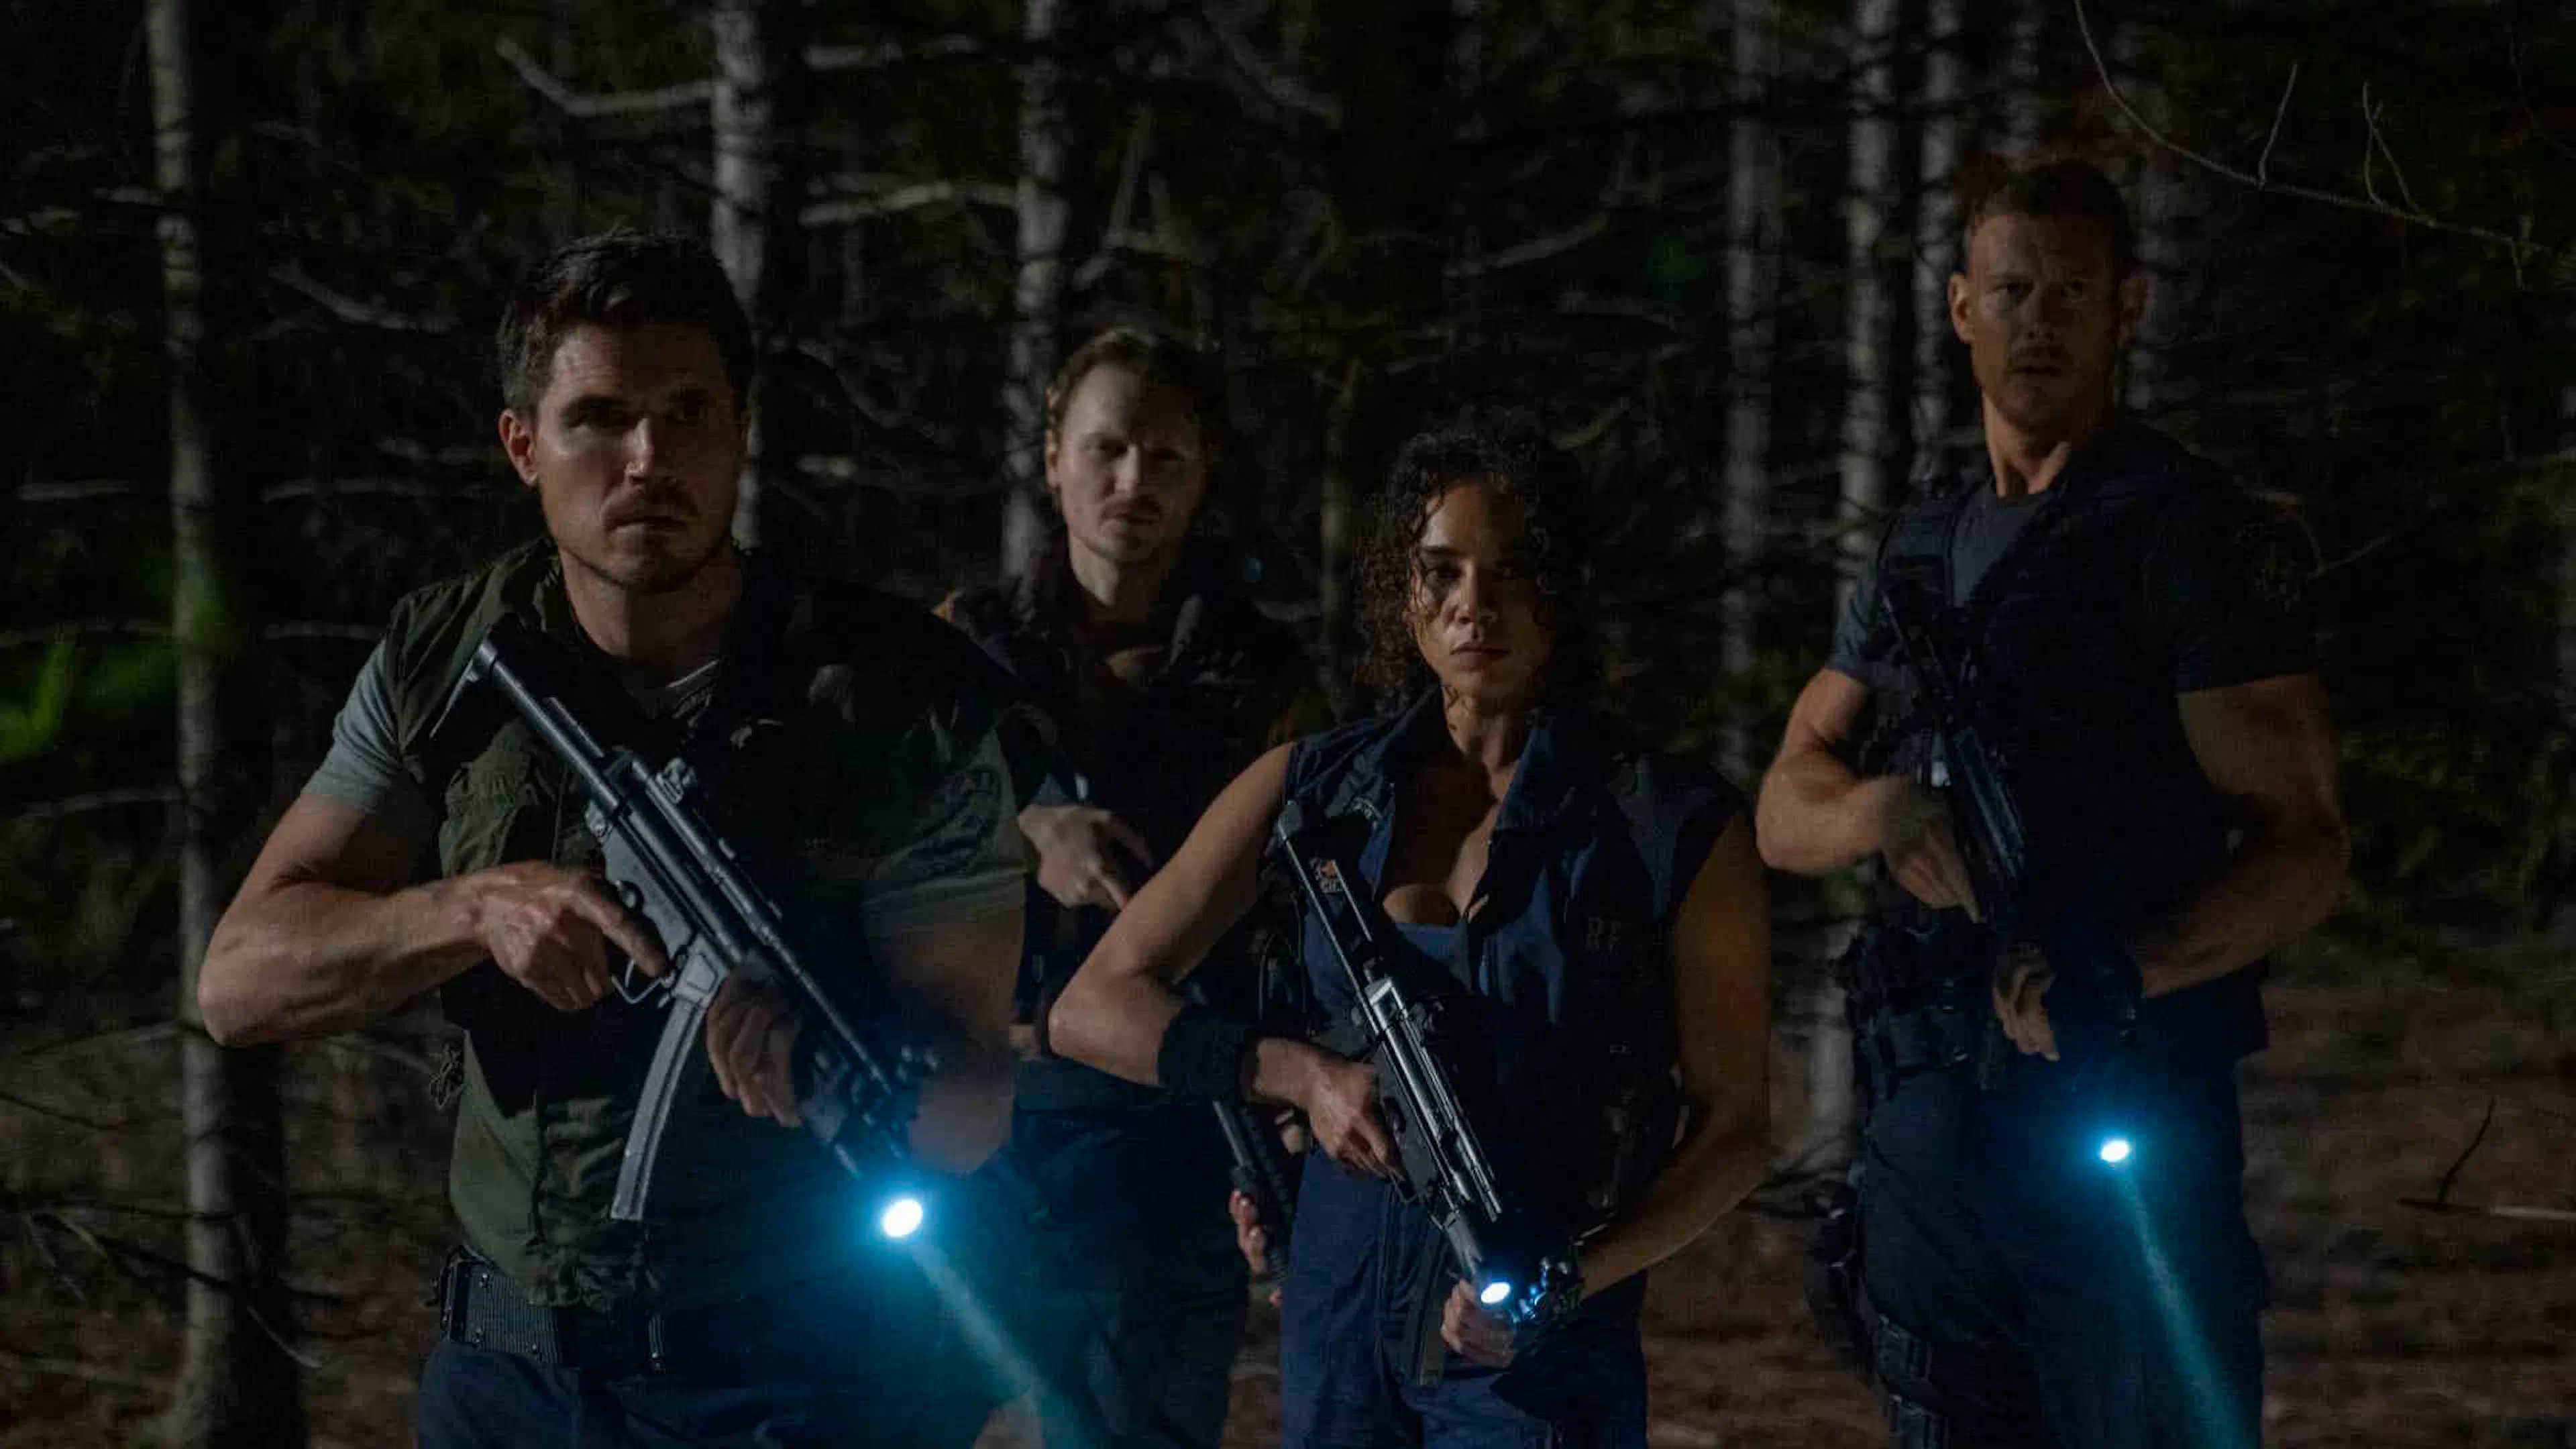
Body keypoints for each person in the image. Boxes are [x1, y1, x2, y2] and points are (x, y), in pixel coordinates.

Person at [196, 232, 1040, 1448]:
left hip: (786, 1378)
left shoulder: (904, 705)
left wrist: (826, 1049)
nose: (649, 459)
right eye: (600, 418)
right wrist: (472, 909)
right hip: (505, 1372)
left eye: (688, 412)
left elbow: (973, 1112)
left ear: (741, 430)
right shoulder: (445, 660)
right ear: (522, 446)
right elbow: (239, 983)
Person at [1754, 160, 2351, 1448]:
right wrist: (1880, 816)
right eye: (2013, 291)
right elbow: (1785, 806)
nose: (2040, 321)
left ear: (2127, 307)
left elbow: (2304, 845)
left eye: (2072, 293)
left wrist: (2130, 966)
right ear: (1961, 308)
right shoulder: (1918, 549)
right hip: (1928, 1145)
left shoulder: (2185, 536)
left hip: (2115, 1114)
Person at [1049, 416, 1772, 1448]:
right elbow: (1091, 1008)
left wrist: (1573, 1280)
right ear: (1403, 593)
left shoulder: (1669, 826)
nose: (1475, 604)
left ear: (1563, 589)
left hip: (1531, 1345)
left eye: (1513, 570)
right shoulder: (1313, 789)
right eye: (1442, 572)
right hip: (1341, 1310)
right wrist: (1297, 1079)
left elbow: (1737, 1129)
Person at [938, 327, 1327, 1447]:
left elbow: (1302, 907)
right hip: (974, 1110)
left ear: (1204, 476)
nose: (1132, 481)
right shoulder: (961, 645)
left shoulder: (1263, 680)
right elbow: (862, 833)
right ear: (1053, 456)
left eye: (1165, 457)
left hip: (1164, 1132)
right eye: (1106, 448)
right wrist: (1025, 832)